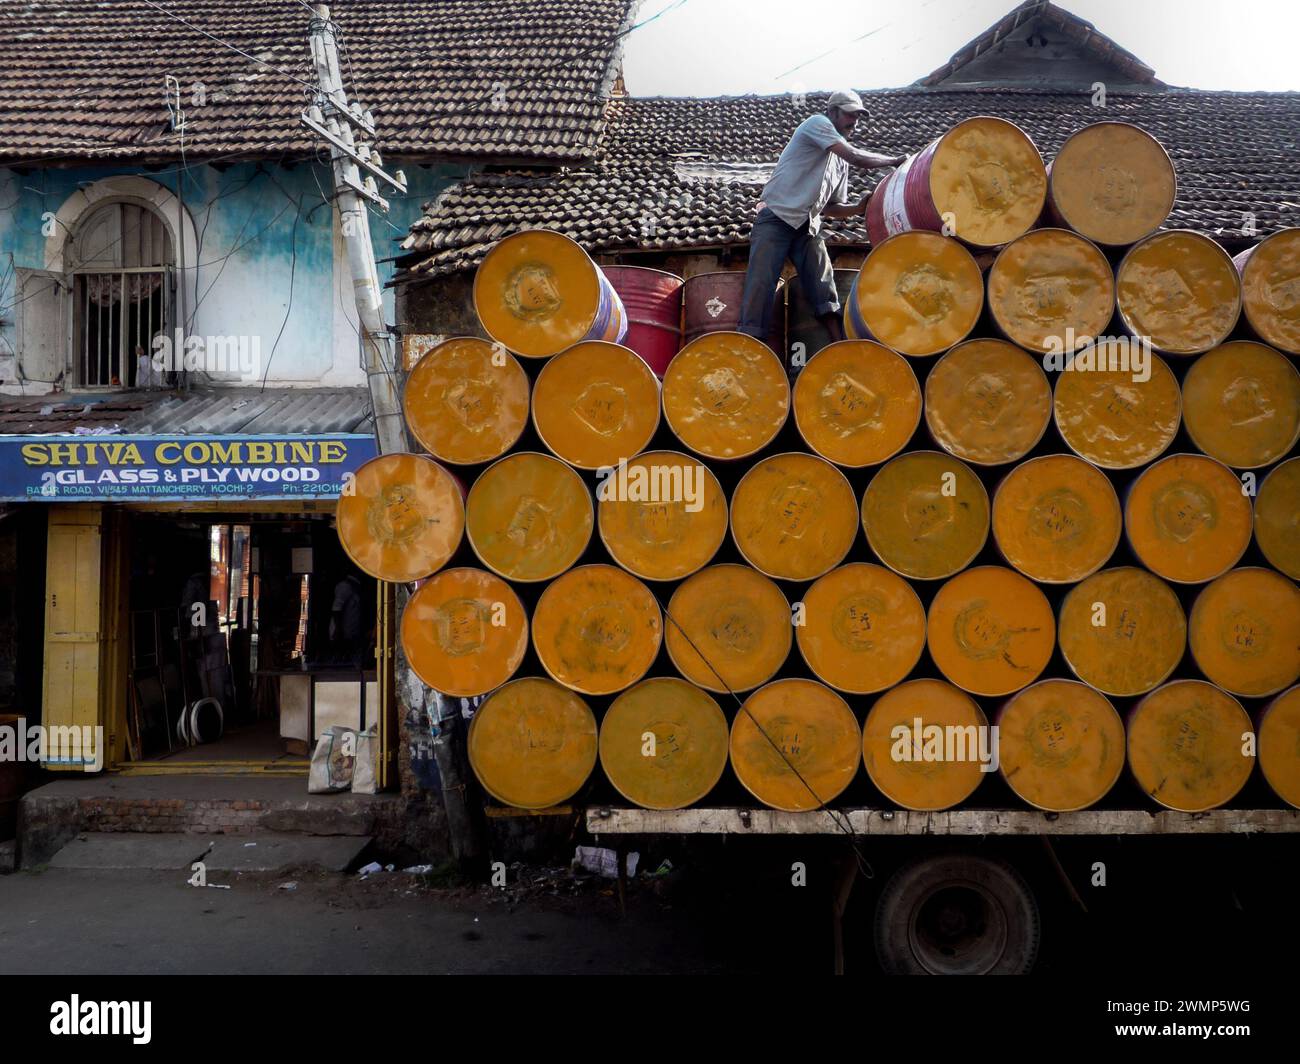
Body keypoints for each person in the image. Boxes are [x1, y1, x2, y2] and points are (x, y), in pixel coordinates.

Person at [738, 89, 905, 348]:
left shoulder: (840, 162)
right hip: (776, 218)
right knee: (761, 285)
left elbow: (831, 208)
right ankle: (749, 347)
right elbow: (855, 155)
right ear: (833, 112)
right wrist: (894, 161)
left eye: (858, 116)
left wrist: (858, 208)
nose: (854, 121)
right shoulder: (817, 123)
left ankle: (839, 347)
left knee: (824, 288)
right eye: (849, 114)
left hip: (807, 226)